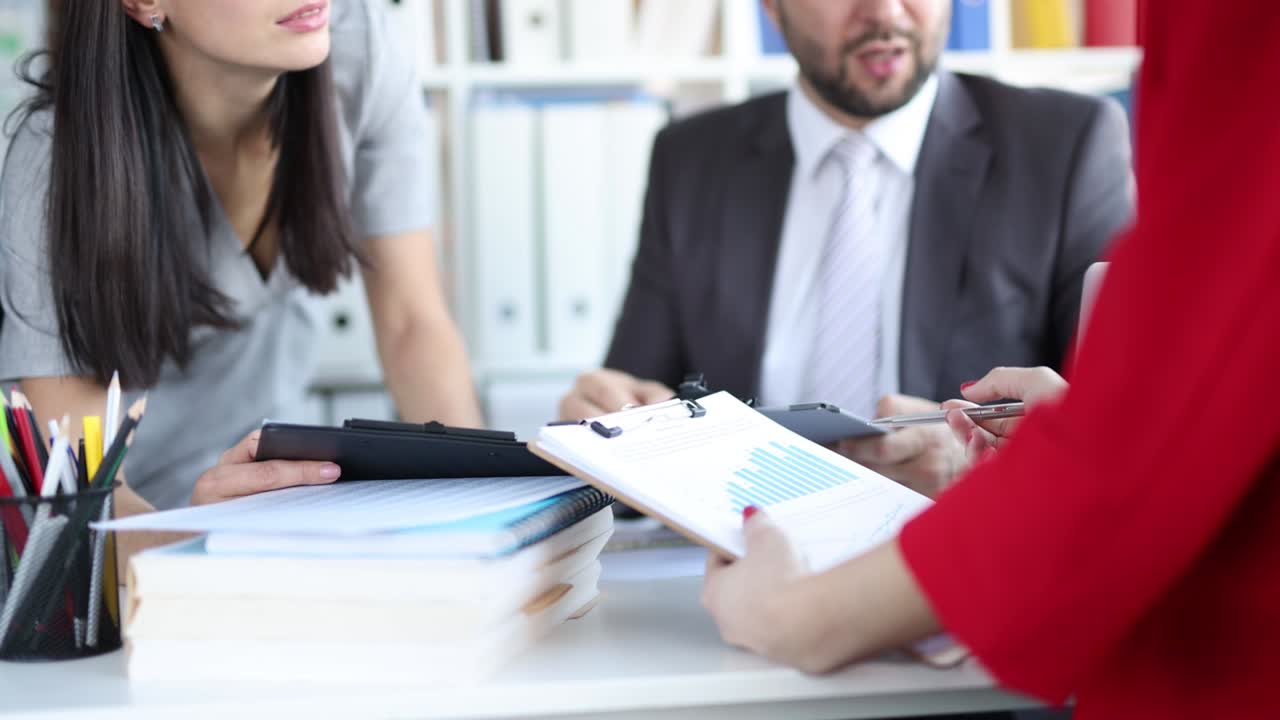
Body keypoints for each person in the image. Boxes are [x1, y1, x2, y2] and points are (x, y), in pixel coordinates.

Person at [701, 2, 1280, 715]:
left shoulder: (1074, 133)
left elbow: (1146, 439)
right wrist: (1077, 420)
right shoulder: (699, 157)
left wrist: (799, 616)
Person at [559, 0, 1133, 498]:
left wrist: (986, 464)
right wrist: (612, 422)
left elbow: (1124, 436)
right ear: (772, 9)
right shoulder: (691, 159)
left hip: (963, 567)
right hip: (739, 559)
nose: (884, 14)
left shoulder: (1066, 147)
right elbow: (629, 416)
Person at [0, 0, 482, 528]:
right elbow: (83, 496)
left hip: (264, 504)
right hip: (118, 537)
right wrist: (197, 538)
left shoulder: (360, 43)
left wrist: (485, 511)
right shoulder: (55, 159)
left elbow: (412, 322)